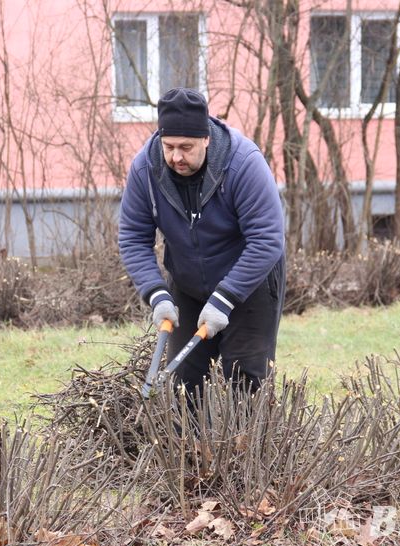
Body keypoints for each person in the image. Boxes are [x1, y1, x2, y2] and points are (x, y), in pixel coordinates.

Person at [118, 87, 285, 398]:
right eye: (169, 146)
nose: (176, 156)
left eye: (186, 147)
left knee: (245, 380)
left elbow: (266, 238)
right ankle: (187, 447)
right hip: (188, 282)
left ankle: (247, 446)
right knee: (183, 384)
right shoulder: (146, 168)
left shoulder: (243, 163)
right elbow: (133, 236)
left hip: (250, 284)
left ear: (206, 138)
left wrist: (226, 297)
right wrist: (157, 294)